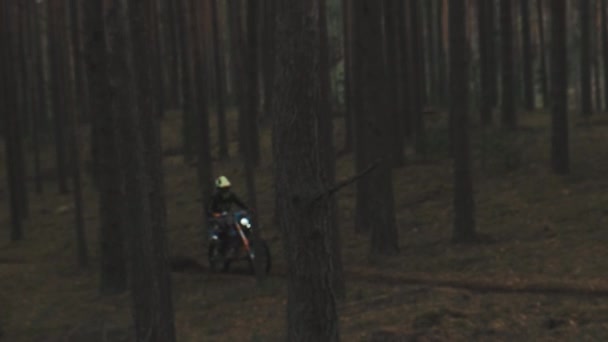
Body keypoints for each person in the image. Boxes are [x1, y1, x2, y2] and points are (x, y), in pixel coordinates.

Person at [207, 176, 249, 255]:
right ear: (219, 189)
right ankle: (220, 245)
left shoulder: (231, 195)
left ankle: (240, 242)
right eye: (223, 189)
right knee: (221, 228)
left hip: (229, 216)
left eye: (226, 188)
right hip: (219, 218)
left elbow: (239, 202)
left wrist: (247, 208)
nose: (225, 190)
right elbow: (209, 209)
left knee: (242, 223)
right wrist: (215, 214)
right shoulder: (215, 198)